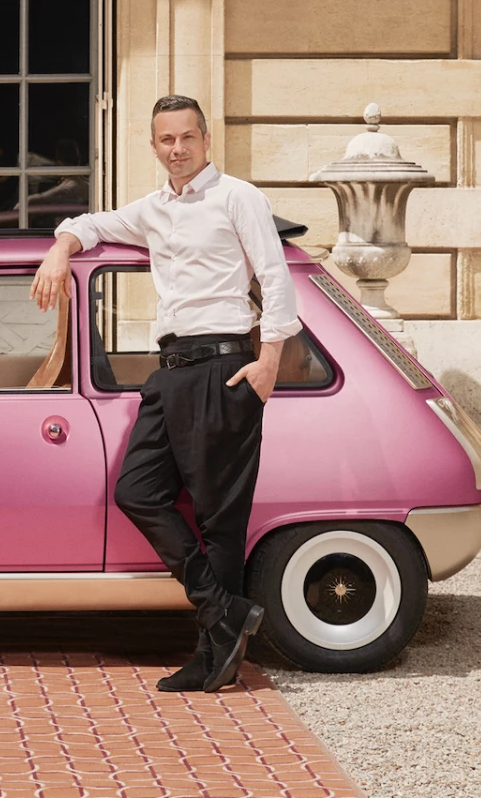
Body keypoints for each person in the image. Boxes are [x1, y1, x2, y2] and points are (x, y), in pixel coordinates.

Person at [30, 95, 302, 693]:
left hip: (224, 367)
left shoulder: (238, 197)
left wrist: (268, 363)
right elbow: (89, 224)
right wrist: (59, 249)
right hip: (171, 371)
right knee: (137, 491)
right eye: (166, 140)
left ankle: (214, 656)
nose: (177, 149)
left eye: (186, 137)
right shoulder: (152, 209)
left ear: (206, 140)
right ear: (153, 146)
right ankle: (223, 610)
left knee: (218, 521)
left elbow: (274, 276)